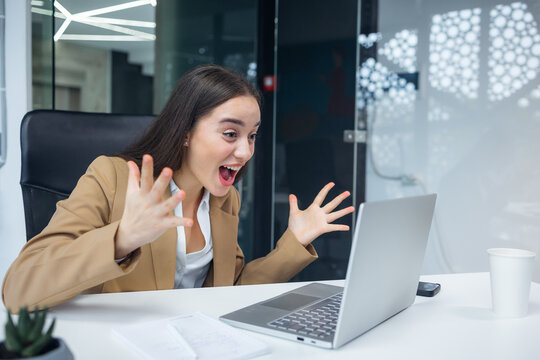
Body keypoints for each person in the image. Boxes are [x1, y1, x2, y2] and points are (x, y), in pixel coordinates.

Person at [2, 65, 354, 310]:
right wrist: (122, 238)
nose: (246, 151)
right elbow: (18, 289)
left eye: (252, 136)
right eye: (230, 134)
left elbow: (229, 291)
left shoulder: (223, 198)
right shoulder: (111, 178)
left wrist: (294, 242)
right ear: (186, 132)